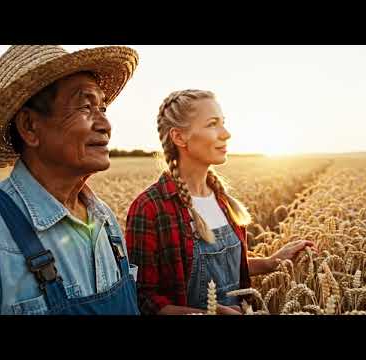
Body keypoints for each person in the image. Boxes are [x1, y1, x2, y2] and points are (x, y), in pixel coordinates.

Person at [0, 45, 140, 315]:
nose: (105, 124)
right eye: (86, 106)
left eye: (103, 107)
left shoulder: (105, 221)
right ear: (30, 127)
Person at [125, 89, 315, 315]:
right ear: (179, 137)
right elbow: (142, 298)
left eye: (223, 122)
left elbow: (227, 268)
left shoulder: (223, 200)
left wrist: (270, 262)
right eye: (212, 124)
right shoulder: (150, 208)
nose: (226, 134)